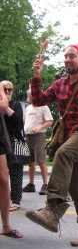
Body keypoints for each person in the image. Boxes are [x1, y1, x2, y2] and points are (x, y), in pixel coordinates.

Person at [25, 44, 78, 247]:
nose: (67, 59)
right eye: (66, 56)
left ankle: (53, 209)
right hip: (70, 133)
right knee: (74, 184)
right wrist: (37, 75)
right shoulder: (60, 84)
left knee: (63, 153)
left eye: (72, 56)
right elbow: (38, 100)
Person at [0, 83, 23, 238]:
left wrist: (6, 106)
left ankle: (6, 225)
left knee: (5, 178)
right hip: (4, 139)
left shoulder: (14, 104)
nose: (7, 92)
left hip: (9, 141)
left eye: (9, 90)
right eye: (4, 89)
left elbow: (18, 121)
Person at [22, 90, 53, 195]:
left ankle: (45, 185)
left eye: (33, 94)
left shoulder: (44, 106)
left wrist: (39, 127)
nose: (31, 96)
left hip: (38, 136)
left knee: (41, 160)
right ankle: (31, 184)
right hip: (28, 136)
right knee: (30, 162)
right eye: (29, 95)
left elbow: (50, 121)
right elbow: (24, 122)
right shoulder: (27, 109)